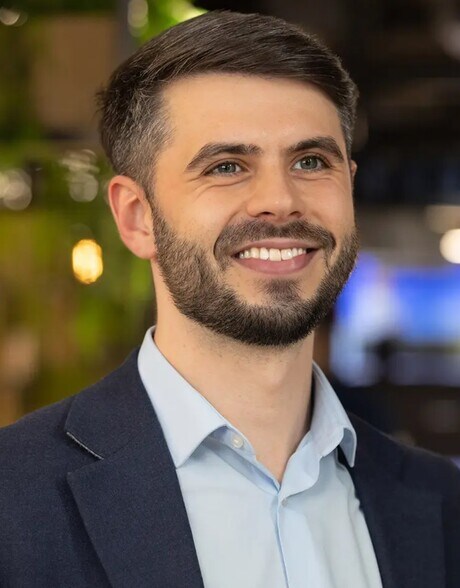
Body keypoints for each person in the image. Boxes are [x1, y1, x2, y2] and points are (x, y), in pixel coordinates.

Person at [1, 11, 459, 588]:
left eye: (311, 162)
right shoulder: (14, 498)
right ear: (137, 218)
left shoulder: (440, 503)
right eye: (226, 166)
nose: (280, 200)